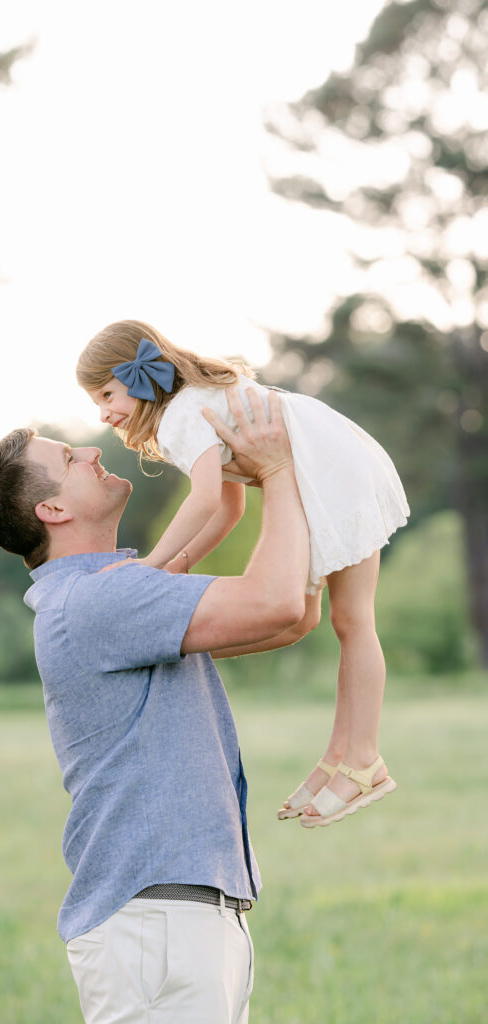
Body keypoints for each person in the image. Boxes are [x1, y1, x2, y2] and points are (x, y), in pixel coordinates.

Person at [0, 388, 313, 1024]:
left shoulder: (113, 592)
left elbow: (293, 617)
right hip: (160, 926)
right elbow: (279, 604)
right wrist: (281, 469)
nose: (89, 453)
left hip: (180, 920)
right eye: (68, 457)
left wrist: (265, 480)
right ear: (51, 508)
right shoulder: (99, 601)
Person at [76, 319, 409, 828]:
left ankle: (364, 758)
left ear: (135, 375)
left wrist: (151, 565)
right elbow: (229, 508)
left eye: (105, 393)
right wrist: (182, 562)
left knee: (354, 620)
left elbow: (205, 498)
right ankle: (339, 757)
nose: (103, 412)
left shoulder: (180, 415)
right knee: (337, 620)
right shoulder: (193, 404)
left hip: (332, 471)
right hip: (327, 463)